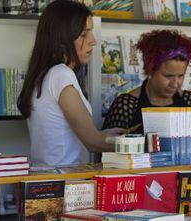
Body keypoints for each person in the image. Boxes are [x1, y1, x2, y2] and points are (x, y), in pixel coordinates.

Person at [17, 0, 125, 166]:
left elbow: (68, 137)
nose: (93, 41)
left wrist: (107, 135)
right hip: (65, 184)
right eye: (84, 34)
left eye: (91, 32)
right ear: (62, 38)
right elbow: (93, 142)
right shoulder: (61, 74)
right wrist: (143, 145)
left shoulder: (43, 75)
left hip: (47, 181)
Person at [102, 29, 191, 134]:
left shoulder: (190, 101)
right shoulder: (126, 105)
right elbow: (108, 146)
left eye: (181, 76)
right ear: (149, 70)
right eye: (168, 76)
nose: (175, 83)